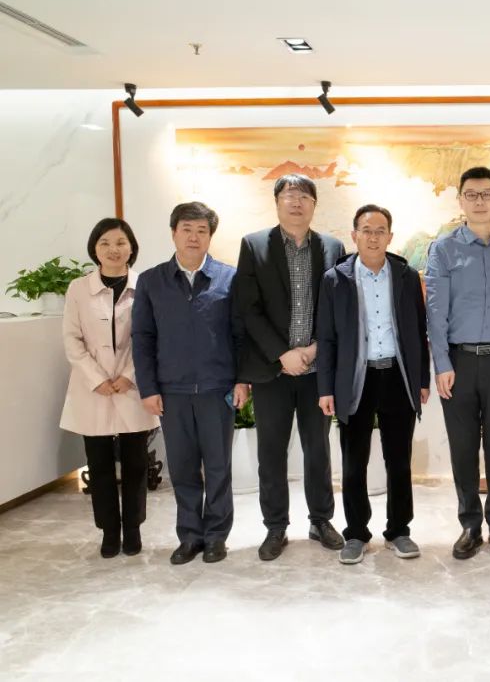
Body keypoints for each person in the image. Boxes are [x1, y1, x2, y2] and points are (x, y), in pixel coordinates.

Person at [234, 173, 346, 561]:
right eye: (289, 195)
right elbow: (248, 309)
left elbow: (338, 307)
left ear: (314, 205)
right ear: (277, 202)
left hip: (317, 372)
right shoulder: (254, 245)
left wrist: (314, 349)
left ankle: (321, 520)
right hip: (273, 371)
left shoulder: (332, 247)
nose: (296, 202)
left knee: (318, 451)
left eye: (304, 196)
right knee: (271, 452)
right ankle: (275, 526)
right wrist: (282, 353)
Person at [131, 202, 249, 564]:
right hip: (172, 391)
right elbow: (142, 338)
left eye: (201, 231)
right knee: (182, 469)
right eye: (187, 229)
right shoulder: (151, 281)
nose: (194, 237)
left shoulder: (230, 278)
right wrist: (149, 388)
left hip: (218, 390)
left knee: (218, 468)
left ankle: (216, 537)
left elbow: (241, 335)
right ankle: (189, 536)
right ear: (174, 233)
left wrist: (243, 380)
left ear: (210, 236)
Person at [316, 205, 430, 565]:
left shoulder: (406, 276)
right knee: (353, 463)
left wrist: (422, 379)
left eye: (380, 230)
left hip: (397, 375)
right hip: (356, 378)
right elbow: (327, 337)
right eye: (366, 230)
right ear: (354, 235)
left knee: (399, 460)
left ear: (390, 237)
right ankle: (355, 533)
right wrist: (326, 388)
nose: (373, 237)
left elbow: (418, 330)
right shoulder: (335, 279)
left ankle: (399, 530)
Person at [425, 166, 490, 560]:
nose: (479, 201)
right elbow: (435, 314)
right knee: (463, 448)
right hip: (458, 363)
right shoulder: (443, 249)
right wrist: (441, 364)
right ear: (460, 201)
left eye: (487, 194)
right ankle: (470, 523)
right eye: (471, 194)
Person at [60, 218, 158, 558]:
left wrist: (130, 374)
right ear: (94, 249)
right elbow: (72, 340)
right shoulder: (78, 289)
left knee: (135, 465)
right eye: (105, 243)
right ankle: (109, 531)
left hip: (132, 387)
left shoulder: (146, 286)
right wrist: (96, 377)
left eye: (120, 242)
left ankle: (133, 529)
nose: (113, 249)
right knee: (99, 465)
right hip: (94, 389)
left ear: (131, 248)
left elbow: (151, 337)